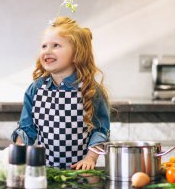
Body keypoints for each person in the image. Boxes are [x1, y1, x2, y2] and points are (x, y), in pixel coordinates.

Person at [11, 17, 110, 169]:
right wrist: (17, 156)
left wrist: (90, 159)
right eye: (44, 46)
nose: (47, 51)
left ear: (77, 52)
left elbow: (100, 131)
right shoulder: (36, 89)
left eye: (56, 45)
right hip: (45, 174)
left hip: (78, 174)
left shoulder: (90, 90)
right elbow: (26, 128)